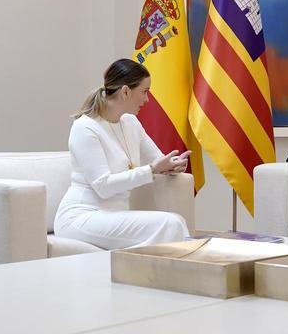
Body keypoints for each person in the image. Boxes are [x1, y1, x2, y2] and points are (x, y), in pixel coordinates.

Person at [55, 59, 191, 249]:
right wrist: (153, 170)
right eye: (144, 92)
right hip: (81, 217)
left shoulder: (130, 123)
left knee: (176, 222)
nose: (147, 100)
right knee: (170, 224)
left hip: (114, 215)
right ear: (125, 92)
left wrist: (173, 164)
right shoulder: (85, 127)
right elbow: (103, 186)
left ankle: (155, 275)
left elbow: (157, 160)